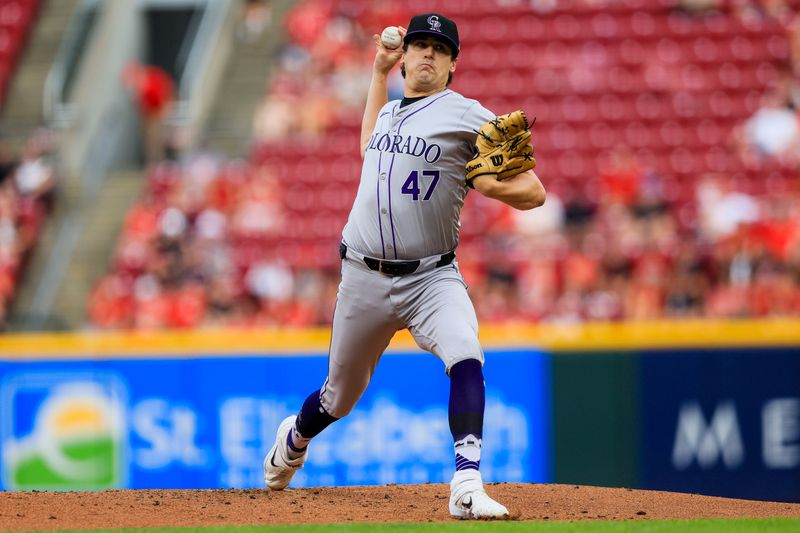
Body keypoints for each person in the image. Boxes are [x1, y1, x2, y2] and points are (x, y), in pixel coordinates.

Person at [263, 13, 546, 520]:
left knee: (466, 353)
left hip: (431, 277)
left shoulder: (467, 114)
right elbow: (367, 144)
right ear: (406, 55)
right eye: (420, 45)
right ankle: (295, 436)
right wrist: (376, 72)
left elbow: (535, 191)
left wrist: (488, 183)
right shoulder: (392, 112)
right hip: (364, 278)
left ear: (453, 63)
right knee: (337, 399)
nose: (427, 54)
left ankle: (465, 484)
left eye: (439, 48)